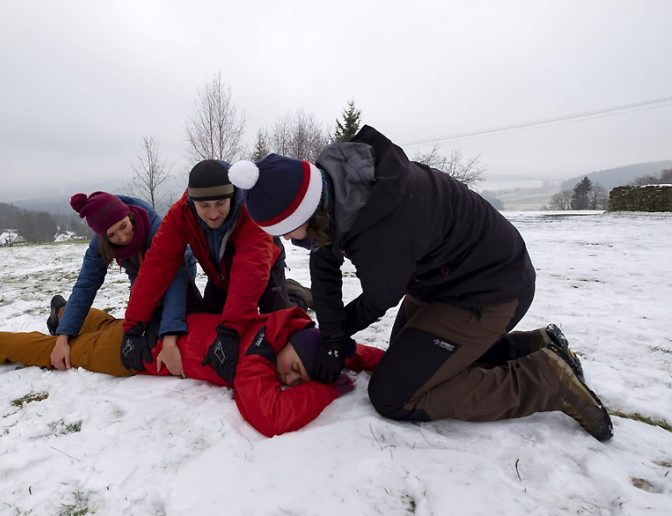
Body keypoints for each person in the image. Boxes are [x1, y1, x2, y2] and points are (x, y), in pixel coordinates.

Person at [227, 124, 613, 441]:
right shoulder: (339, 190)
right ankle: (534, 346)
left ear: (306, 209)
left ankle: (544, 381)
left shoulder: (383, 222)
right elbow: (324, 263)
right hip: (444, 282)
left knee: (396, 393)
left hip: (489, 291)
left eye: (288, 232)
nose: (290, 240)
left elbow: (379, 297)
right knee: (407, 362)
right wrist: (330, 335)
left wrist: (336, 334)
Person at [0, 305, 384, 437]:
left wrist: (360, 363)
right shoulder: (256, 356)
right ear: (288, 349)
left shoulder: (287, 329)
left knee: (105, 324)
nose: (288, 380)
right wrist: (333, 389)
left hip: (147, 328)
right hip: (128, 352)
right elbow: (268, 416)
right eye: (292, 370)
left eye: (296, 380)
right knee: (52, 352)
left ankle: (66, 313)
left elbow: (344, 351)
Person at [122, 160, 312, 385]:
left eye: (220, 203)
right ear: (193, 202)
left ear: (232, 196)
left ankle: (296, 295)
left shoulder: (250, 209)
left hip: (264, 268)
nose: (213, 213)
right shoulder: (180, 215)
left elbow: (251, 269)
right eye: (204, 206)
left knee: (277, 325)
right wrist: (133, 325)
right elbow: (156, 267)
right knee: (211, 324)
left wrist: (232, 329)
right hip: (220, 274)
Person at [50, 192, 197, 376]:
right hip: (138, 273)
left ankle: (61, 312)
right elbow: (86, 285)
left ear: (129, 215)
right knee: (142, 323)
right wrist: (62, 337)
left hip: (180, 266)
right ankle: (60, 312)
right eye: (112, 235)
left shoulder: (157, 229)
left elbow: (176, 282)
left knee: (179, 315)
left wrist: (169, 341)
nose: (123, 237)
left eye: (124, 226)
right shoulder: (100, 243)